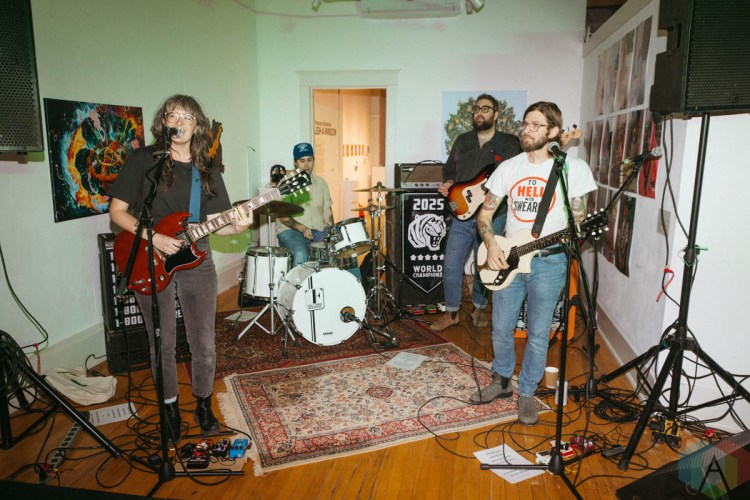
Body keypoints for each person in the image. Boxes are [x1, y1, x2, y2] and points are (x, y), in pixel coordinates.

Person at [109, 95, 252, 443]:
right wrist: (154, 237)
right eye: (173, 115)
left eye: (187, 117)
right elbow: (117, 212)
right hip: (148, 254)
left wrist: (240, 224)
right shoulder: (144, 160)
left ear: (197, 125)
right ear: (164, 122)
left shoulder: (207, 168)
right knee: (162, 342)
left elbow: (217, 223)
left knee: (203, 340)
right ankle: (169, 408)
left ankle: (203, 404)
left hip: (196, 255)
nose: (180, 122)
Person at [471, 101, 596, 425]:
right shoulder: (509, 168)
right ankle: (501, 380)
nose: (526, 130)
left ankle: (526, 392)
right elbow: (485, 215)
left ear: (553, 131)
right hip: (507, 259)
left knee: (539, 333)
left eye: (535, 125)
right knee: (501, 327)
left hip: (549, 262)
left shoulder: (573, 169)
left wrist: (577, 231)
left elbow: (579, 222)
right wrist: (491, 244)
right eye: (525, 124)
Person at [430, 94, 522, 331]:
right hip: (462, 215)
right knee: (451, 264)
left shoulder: (510, 144)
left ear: (496, 114)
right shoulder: (462, 141)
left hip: (493, 217)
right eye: (476, 108)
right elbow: (449, 169)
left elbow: (518, 176)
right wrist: (449, 183)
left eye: (485, 108)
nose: (479, 112)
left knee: (485, 264)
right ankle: (451, 313)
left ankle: (478, 309)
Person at [276, 143, 333, 267]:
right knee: (300, 253)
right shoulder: (286, 183)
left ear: (313, 160)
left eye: (309, 160)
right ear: (295, 162)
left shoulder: (321, 183)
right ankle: (298, 280)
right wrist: (302, 228)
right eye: (302, 161)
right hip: (290, 231)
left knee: (337, 250)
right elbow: (283, 217)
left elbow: (327, 212)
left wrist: (331, 232)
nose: (306, 165)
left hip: (318, 230)